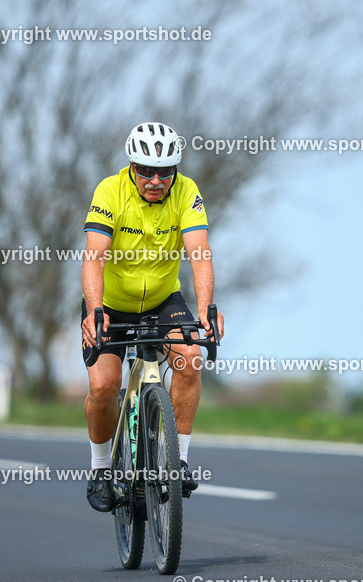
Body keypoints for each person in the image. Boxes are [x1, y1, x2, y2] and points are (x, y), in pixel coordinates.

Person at [80, 122, 224, 512]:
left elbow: (199, 254)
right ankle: (100, 469)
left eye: (165, 172)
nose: (156, 181)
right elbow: (94, 256)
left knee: (190, 358)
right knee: (104, 386)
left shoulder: (187, 191)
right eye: (146, 171)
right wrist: (94, 311)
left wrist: (206, 309)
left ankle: (177, 461)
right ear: (132, 165)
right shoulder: (110, 191)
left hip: (162, 300)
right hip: (111, 303)